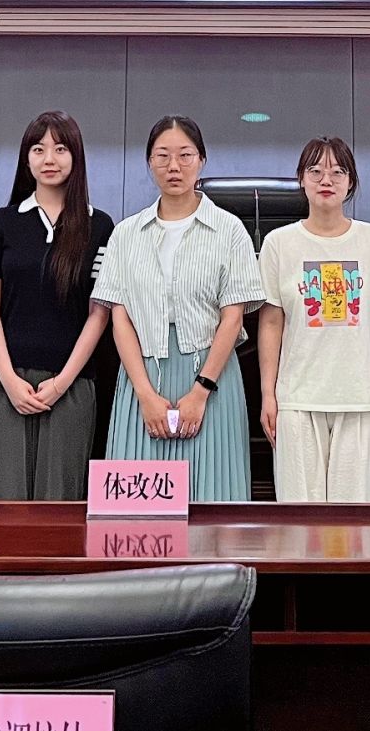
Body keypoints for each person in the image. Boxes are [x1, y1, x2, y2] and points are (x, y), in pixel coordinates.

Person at [94, 115, 263, 500]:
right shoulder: (126, 234)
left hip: (211, 377)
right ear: (149, 162)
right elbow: (120, 317)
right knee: (137, 505)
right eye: (163, 156)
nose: (174, 166)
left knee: (213, 497)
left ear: (201, 160)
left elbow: (232, 317)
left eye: (185, 155)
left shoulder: (229, 230)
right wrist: (145, 394)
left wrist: (200, 391)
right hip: (142, 377)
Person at [0, 110, 116, 499]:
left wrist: (62, 382)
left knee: (60, 508)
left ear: (76, 157)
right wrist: (8, 378)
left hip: (71, 384)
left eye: (60, 149)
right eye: (38, 149)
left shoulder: (100, 226)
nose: (48, 158)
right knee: (4, 507)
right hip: (4, 381)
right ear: (26, 159)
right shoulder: (2, 222)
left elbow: (98, 313)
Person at [257, 136, 370, 503]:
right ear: (301, 179)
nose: (327, 180)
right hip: (297, 400)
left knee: (358, 521)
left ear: (350, 182)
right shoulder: (279, 243)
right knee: (299, 519)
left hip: (362, 400)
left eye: (338, 172)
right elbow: (271, 323)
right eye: (316, 171)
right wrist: (268, 395)